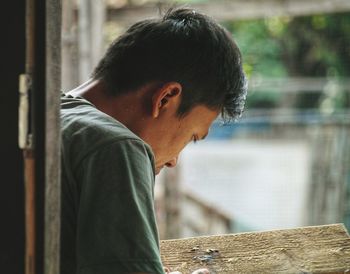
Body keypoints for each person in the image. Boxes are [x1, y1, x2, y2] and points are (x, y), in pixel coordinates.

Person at [60, 7, 247, 274]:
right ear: (166, 98)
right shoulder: (115, 147)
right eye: (191, 137)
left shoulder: (44, 116)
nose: (173, 161)